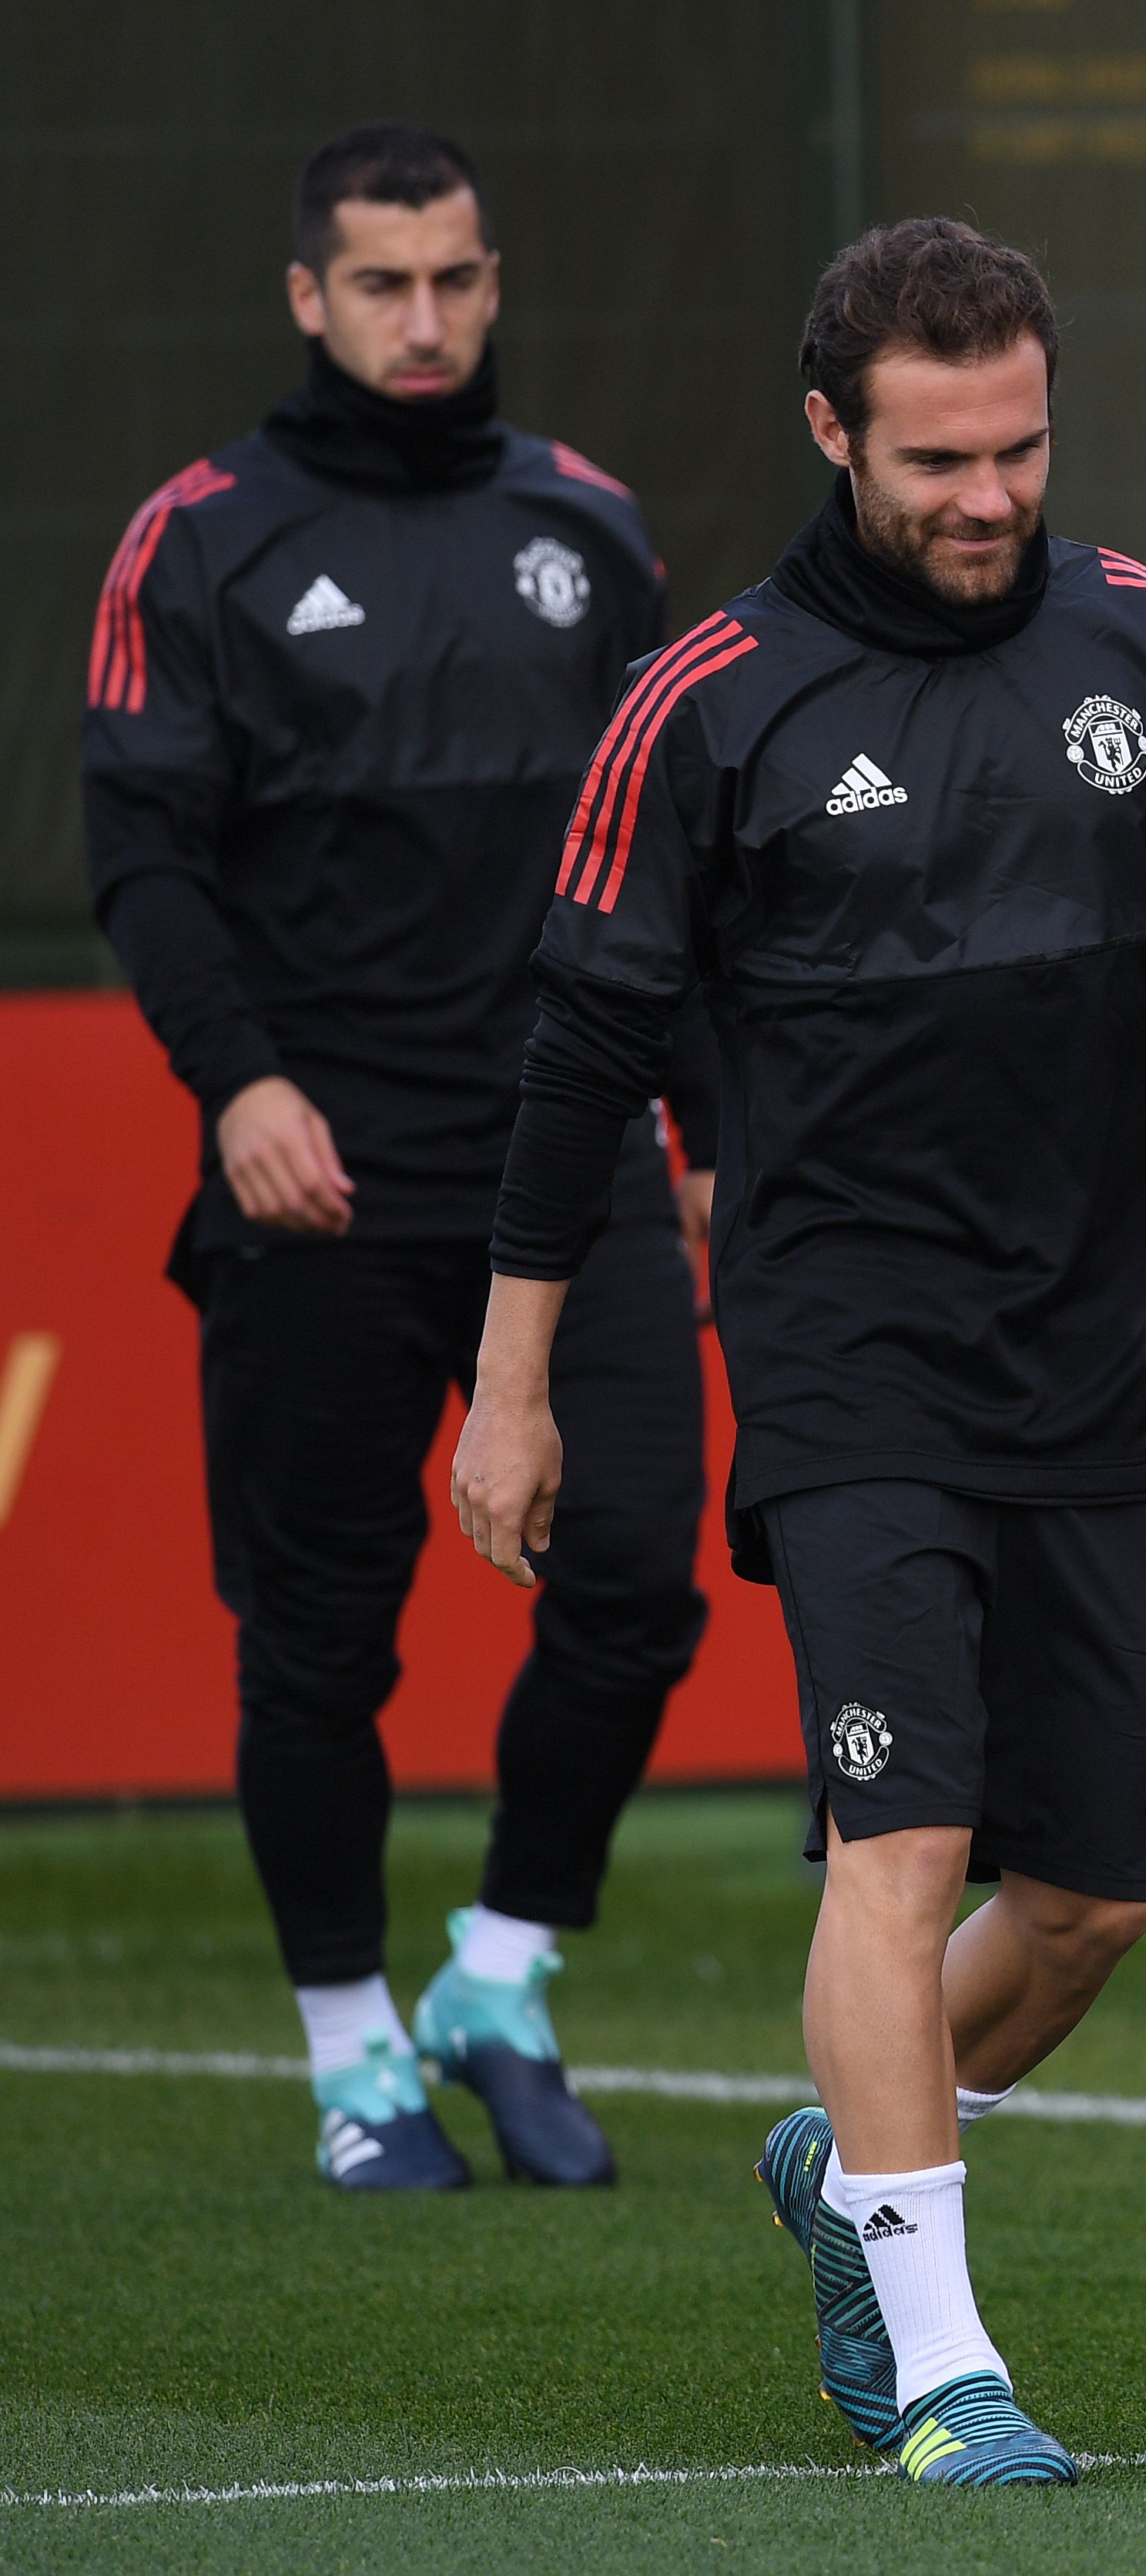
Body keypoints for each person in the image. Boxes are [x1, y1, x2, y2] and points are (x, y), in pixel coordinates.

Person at [447, 219, 1146, 2484]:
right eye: (935, 459)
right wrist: (511, 1385)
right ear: (831, 434)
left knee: (1086, 1904)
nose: (987, 496)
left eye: (1019, 448)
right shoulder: (708, 705)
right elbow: (580, 1060)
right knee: (902, 1841)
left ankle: (854, 2173)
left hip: (1095, 1344)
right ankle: (945, 2363)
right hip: (842, 1343)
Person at [82, 122, 714, 2193]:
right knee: (322, 1638)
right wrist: (239, 1084)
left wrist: (699, 1120)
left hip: (576, 1151)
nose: (423, 321)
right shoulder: (201, 537)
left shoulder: (590, 525)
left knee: (634, 1569)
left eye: (455, 279)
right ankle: (355, 2052)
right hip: (323, 1173)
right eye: (381, 285)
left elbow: (670, 859)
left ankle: (503, 1977)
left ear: (495, 278)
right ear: (306, 299)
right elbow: (143, 856)